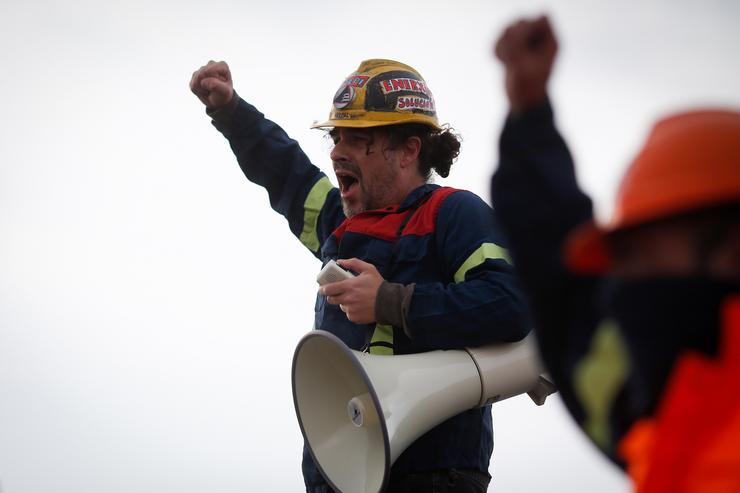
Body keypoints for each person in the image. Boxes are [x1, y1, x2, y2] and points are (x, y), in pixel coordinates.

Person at [190, 58, 530, 492]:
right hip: (340, 476)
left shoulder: (454, 214)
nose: (335, 151)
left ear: (409, 149)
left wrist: (390, 301)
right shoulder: (340, 225)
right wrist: (231, 111)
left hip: (434, 477)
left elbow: (512, 304)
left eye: (358, 137)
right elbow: (286, 173)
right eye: (336, 136)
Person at [490, 16, 740, 492]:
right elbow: (561, 276)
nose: (621, 281)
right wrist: (529, 113)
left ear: (730, 248)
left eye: (636, 253)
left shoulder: (650, 407)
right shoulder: (648, 406)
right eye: (619, 256)